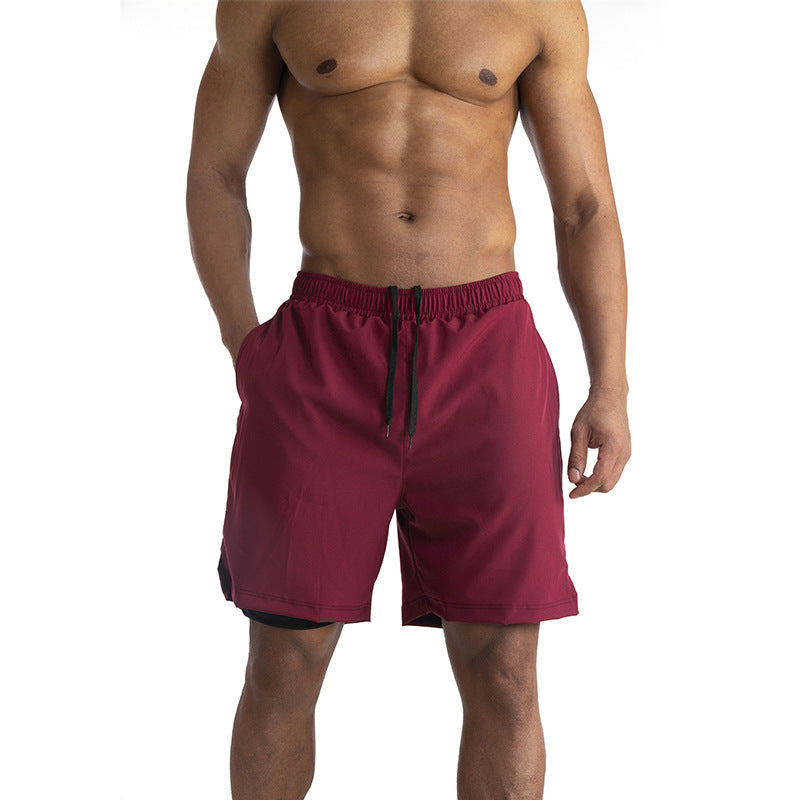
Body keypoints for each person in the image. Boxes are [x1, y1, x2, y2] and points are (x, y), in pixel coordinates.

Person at [185, 1, 630, 797]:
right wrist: (244, 343)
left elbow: (583, 204)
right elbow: (216, 174)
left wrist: (611, 384)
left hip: (487, 352)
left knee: (505, 669)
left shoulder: (538, 8)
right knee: (285, 659)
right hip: (324, 350)